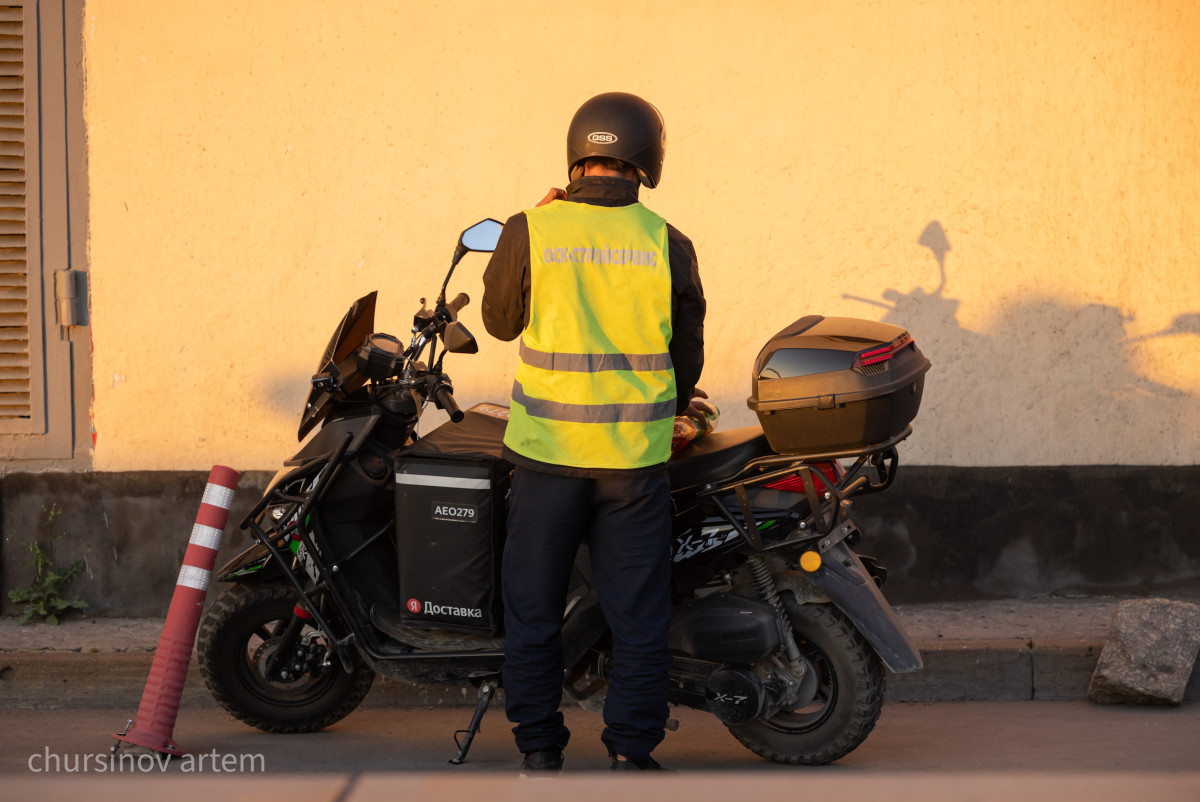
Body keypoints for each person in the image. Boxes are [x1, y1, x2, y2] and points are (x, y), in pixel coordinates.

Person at [481, 91, 705, 773]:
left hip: (548, 460)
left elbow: (498, 321)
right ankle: (631, 753)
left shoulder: (532, 227)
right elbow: (686, 358)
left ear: (577, 157)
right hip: (633, 464)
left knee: (534, 610)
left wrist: (535, 227)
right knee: (637, 616)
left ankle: (539, 747)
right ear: (646, 159)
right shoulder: (668, 242)